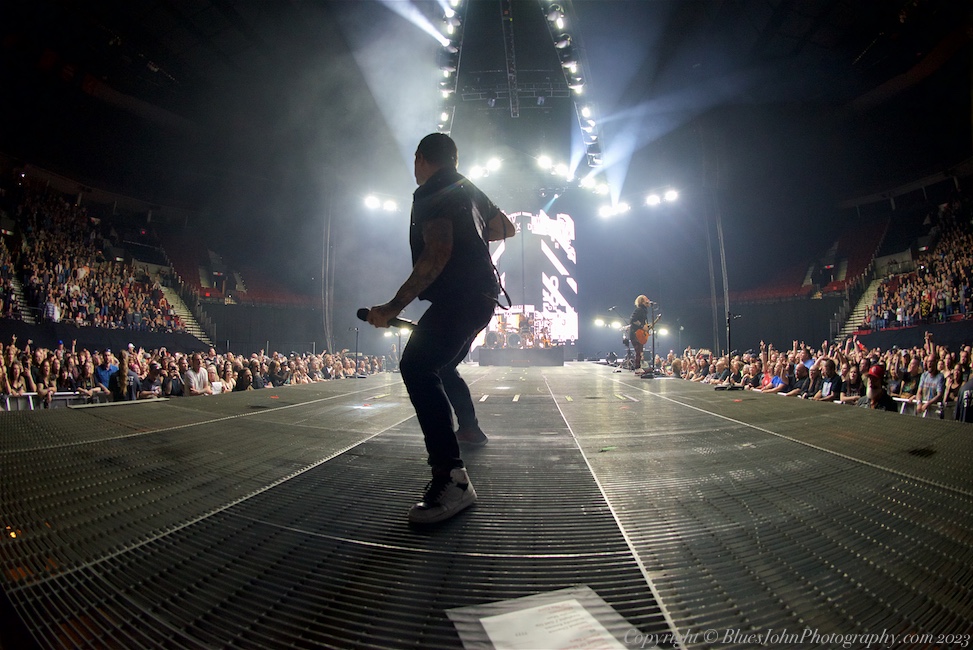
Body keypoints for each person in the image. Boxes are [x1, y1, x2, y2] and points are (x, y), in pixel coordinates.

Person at [366, 132, 515, 525]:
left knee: (416, 367)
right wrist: (475, 230)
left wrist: (391, 306)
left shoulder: (432, 189)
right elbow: (506, 228)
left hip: (460, 297)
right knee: (441, 366)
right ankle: (469, 428)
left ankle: (452, 479)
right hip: (481, 298)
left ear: (420, 160)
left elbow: (437, 253)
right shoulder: (469, 188)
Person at [628, 295, 651, 371]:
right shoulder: (639, 310)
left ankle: (638, 367)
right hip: (635, 333)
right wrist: (642, 326)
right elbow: (632, 320)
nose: (648, 300)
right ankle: (637, 368)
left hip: (639, 333)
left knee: (640, 351)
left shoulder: (644, 311)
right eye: (646, 299)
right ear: (642, 301)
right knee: (638, 351)